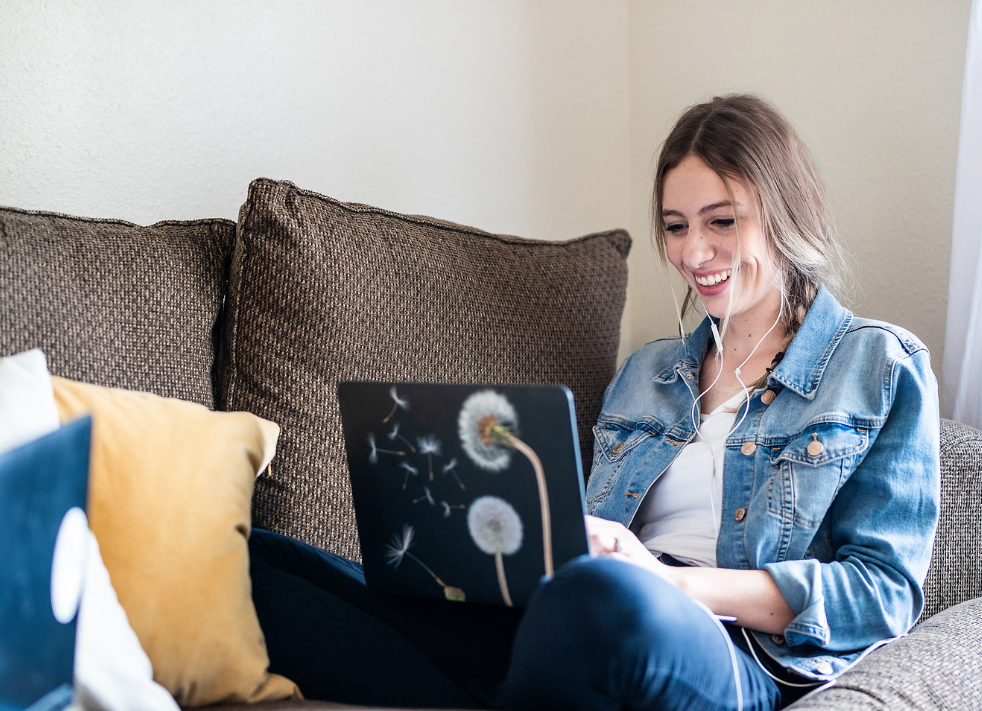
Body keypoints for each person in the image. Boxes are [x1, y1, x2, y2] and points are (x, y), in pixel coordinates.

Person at [248, 93, 940, 711]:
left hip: (728, 650)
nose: (693, 251)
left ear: (784, 213)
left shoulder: (875, 364)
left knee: (602, 600)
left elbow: (884, 594)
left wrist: (673, 585)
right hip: (573, 617)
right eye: (674, 226)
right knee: (252, 560)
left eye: (720, 221)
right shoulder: (648, 372)